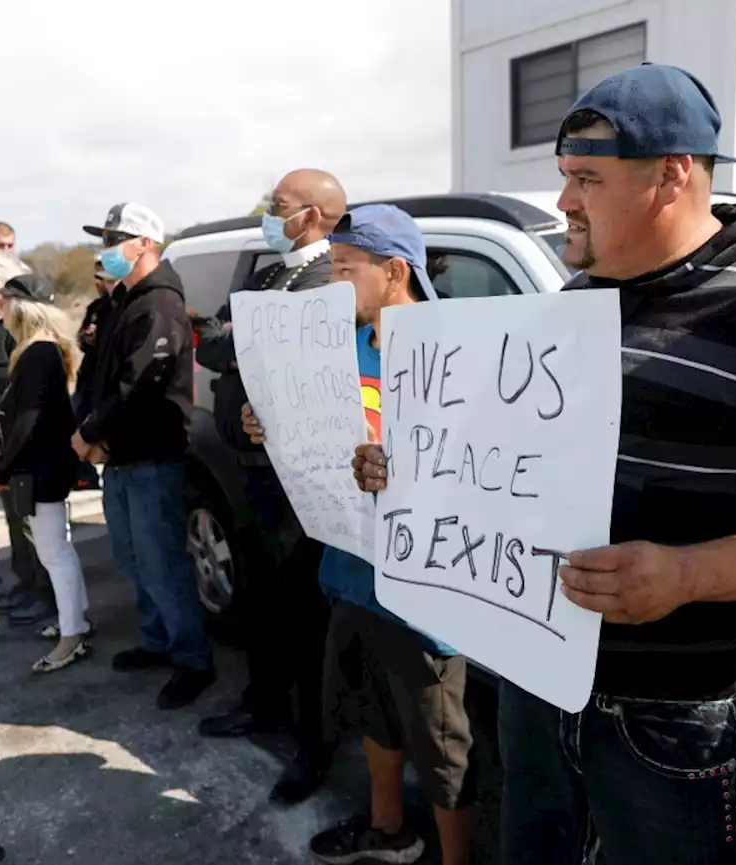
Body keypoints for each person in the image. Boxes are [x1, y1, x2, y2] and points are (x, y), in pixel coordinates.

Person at [354, 64, 736, 865]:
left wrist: (685, 575)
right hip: (536, 686)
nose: (564, 201)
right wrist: (403, 467)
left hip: (674, 722)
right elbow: (497, 463)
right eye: (564, 177)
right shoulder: (574, 303)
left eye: (586, 178)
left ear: (672, 176)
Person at [249, 205, 476, 865]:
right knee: (374, 713)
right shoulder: (342, 346)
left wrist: (398, 470)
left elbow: (483, 472)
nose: (333, 282)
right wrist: (271, 424)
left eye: (345, 269)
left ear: (395, 269)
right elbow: (313, 433)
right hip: (351, 572)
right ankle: (390, 830)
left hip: (426, 592)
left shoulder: (454, 351)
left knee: (442, 741)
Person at [194, 168, 348, 805]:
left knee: (307, 622)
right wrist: (242, 387)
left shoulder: (329, 280)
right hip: (253, 475)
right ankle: (263, 704)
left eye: (277, 206)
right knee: (260, 603)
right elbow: (210, 347)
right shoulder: (264, 277)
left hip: (305, 490)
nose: (267, 213)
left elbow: (311, 369)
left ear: (311, 215)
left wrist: (239, 348)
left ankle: (314, 747)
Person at [74, 202, 215, 710]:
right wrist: (92, 431)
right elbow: (102, 375)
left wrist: (91, 432)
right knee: (133, 559)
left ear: (145, 245)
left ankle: (193, 659)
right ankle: (158, 641)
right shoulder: (124, 301)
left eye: (115, 240)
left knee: (162, 565)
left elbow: (139, 388)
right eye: (104, 240)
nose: (105, 251)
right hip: (122, 456)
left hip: (152, 455)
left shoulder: (158, 305)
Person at [0, 273, 91, 672]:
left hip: (42, 468)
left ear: (22, 307)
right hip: (45, 466)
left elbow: (26, 422)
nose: (2, 310)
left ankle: (72, 636)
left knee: (54, 553)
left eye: (7, 302)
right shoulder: (40, 350)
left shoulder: (37, 353)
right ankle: (74, 621)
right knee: (57, 550)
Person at [0, 251, 58, 624]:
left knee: (30, 521)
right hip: (0, 443)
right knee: (15, 519)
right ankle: (25, 582)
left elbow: (19, 391)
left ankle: (45, 594)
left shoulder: (15, 331)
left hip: (19, 443)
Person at [70, 261, 118, 492]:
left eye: (105, 278)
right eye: (97, 278)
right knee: (77, 421)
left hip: (106, 381)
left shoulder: (119, 308)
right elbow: (79, 340)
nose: (100, 283)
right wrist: (86, 337)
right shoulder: (96, 308)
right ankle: (84, 473)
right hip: (88, 379)